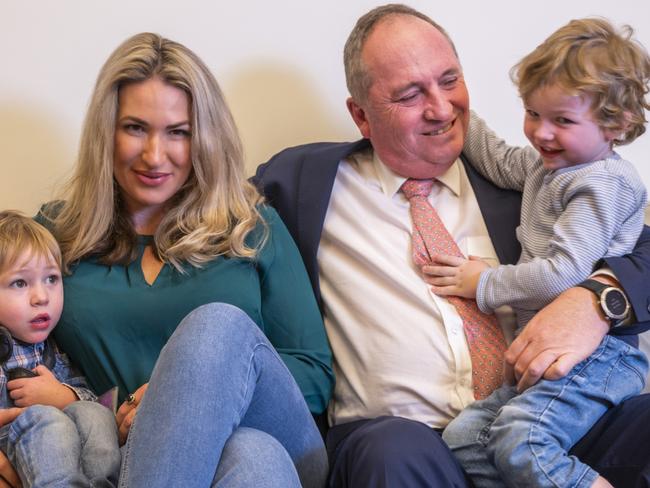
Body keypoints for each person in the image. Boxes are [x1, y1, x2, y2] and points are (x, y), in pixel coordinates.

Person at [253, 4, 650, 487]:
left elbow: (635, 239)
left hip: (546, 409)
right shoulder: (302, 183)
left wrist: (598, 298)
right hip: (408, 444)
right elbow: (207, 218)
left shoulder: (545, 177)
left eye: (449, 81)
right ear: (361, 114)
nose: (440, 109)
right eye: (410, 94)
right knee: (392, 450)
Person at [0, 33, 334, 488]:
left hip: (284, 437)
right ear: (106, 132)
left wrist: (182, 391)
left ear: (205, 139)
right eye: (135, 128)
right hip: (116, 460)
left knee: (218, 328)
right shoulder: (58, 238)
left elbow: (314, 374)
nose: (155, 156)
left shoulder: (252, 226)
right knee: (251, 458)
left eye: (178, 132)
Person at [432, 18, 650, 488]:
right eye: (533, 113)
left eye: (563, 121)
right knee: (464, 437)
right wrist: (457, 112)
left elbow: (563, 273)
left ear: (617, 124)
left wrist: (484, 283)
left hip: (599, 356)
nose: (541, 133)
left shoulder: (602, 183)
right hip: (541, 355)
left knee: (520, 439)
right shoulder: (551, 165)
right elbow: (500, 160)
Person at [0, 210, 120, 487]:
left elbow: (87, 398)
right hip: (16, 440)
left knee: (95, 414)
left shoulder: (56, 347)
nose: (42, 297)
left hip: (66, 453)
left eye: (52, 279)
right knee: (46, 419)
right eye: (20, 283)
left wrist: (64, 395)